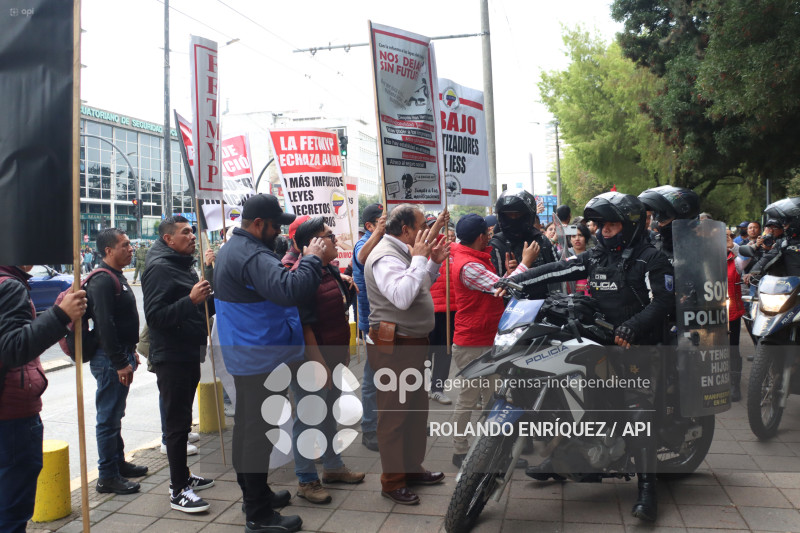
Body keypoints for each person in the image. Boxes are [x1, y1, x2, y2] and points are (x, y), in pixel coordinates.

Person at [501, 192, 674, 523]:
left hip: (636, 345)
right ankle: (567, 456)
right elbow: (555, 269)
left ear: (630, 226)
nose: (604, 231)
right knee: (569, 392)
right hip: (597, 337)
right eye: (601, 225)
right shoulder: (594, 257)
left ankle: (648, 486)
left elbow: (662, 301)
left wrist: (632, 327)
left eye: (612, 225)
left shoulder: (651, 259)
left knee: (638, 412)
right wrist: (514, 282)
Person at [214, 194, 325, 533]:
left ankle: (256, 496)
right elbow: (289, 290)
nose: (279, 231)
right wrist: (312, 260)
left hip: (253, 355)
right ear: (258, 224)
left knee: (251, 431)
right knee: (255, 437)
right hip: (258, 357)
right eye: (276, 224)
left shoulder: (238, 250)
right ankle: (258, 516)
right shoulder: (249, 253)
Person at [364, 204, 449, 505]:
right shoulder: (386, 255)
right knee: (395, 416)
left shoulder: (404, 252)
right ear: (406, 231)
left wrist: (431, 265)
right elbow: (401, 297)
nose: (426, 230)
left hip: (411, 345)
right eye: (421, 225)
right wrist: (419, 259)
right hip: (395, 347)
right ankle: (392, 481)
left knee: (414, 411)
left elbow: (417, 288)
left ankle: (412, 468)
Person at [283, 217, 365, 505]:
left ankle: (333, 467)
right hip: (312, 362)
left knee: (329, 414)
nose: (334, 239)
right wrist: (319, 365)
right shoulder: (303, 273)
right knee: (308, 419)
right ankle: (306, 480)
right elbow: (304, 326)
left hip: (332, 356)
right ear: (313, 243)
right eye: (328, 235)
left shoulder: (327, 269)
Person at [0, 267, 86, 532]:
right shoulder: (10, 286)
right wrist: (61, 315)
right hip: (11, 416)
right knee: (11, 514)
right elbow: (13, 347)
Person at [449, 214, 537, 468]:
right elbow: (503, 287)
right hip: (473, 341)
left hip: (486, 337)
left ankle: (489, 452)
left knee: (493, 398)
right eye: (487, 232)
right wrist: (525, 263)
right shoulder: (468, 265)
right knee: (468, 398)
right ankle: (460, 450)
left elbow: (497, 285)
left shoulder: (475, 258)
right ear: (480, 237)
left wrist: (510, 272)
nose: (491, 235)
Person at [142, 216, 215, 513]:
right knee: (175, 426)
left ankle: (184, 476)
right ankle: (177, 489)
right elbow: (156, 317)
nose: (192, 236)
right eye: (185, 232)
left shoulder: (181, 262)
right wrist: (192, 300)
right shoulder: (160, 267)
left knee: (183, 422)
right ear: (168, 238)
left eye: (192, 231)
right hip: (171, 356)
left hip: (187, 351)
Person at [87, 229, 147, 495]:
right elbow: (104, 326)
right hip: (109, 359)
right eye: (124, 245)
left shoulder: (116, 277)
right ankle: (107, 476)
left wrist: (130, 351)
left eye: (130, 244)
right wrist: (119, 361)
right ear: (109, 250)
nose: (130, 248)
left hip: (120, 353)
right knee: (108, 418)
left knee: (115, 414)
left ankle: (118, 463)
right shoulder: (101, 281)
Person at [352, 203, 385, 452]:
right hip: (374, 321)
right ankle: (370, 429)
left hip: (389, 319)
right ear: (370, 225)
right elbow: (362, 258)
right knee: (371, 377)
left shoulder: (383, 241)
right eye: (381, 220)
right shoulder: (363, 243)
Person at [489, 190, 557, 288]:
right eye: (509, 215)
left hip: (545, 300)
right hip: (512, 302)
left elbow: (557, 271)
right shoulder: (497, 244)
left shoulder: (541, 240)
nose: (513, 219)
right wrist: (510, 274)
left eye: (517, 215)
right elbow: (494, 287)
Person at [425, 213, 456, 405]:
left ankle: (438, 388)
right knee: (426, 351)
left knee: (445, 352)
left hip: (450, 309)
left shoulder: (451, 248)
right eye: (429, 226)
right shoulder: (423, 247)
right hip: (429, 310)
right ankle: (425, 385)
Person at [637, 185, 701, 262]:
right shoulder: (653, 246)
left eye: (663, 219)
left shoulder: (703, 248)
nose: (659, 225)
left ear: (682, 218)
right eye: (656, 218)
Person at [726, 228, 745, 402]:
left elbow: (745, 262)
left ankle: (734, 384)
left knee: (732, 348)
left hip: (732, 312)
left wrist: (734, 247)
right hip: (710, 312)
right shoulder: (705, 258)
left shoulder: (735, 259)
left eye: (727, 236)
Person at [566, 224, 591, 295]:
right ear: (570, 239)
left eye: (580, 235)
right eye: (573, 236)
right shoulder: (563, 255)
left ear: (586, 238)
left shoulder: (592, 255)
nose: (577, 239)